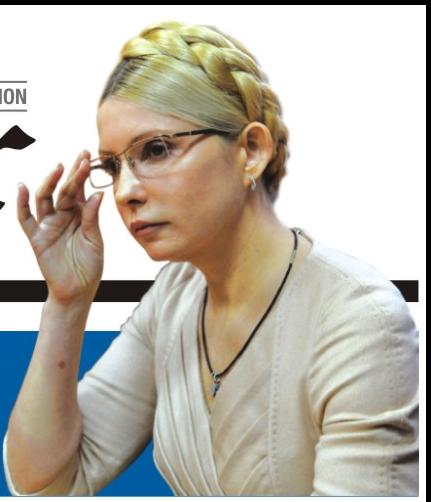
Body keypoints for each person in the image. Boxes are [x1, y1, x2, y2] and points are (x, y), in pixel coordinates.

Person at [3, 20, 418, 496]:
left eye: (156, 149)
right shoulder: (174, 298)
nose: (125, 191)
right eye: (114, 166)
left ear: (251, 150)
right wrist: (67, 302)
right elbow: (44, 480)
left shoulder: (359, 319)